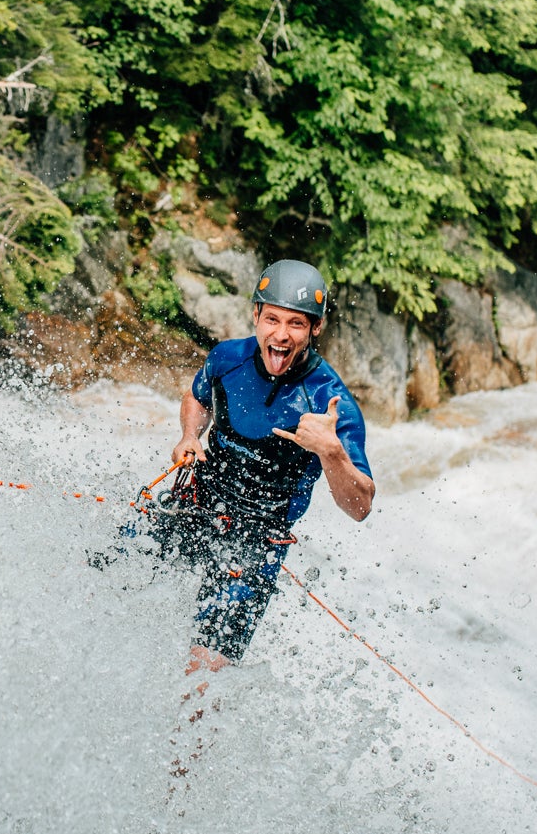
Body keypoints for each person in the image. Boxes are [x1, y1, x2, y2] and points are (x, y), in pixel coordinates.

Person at [152, 260, 374, 675]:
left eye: (296, 324)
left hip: (254, 546)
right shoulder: (228, 358)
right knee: (107, 575)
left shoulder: (329, 402)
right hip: (197, 503)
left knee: (202, 676)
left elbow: (360, 506)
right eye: (272, 319)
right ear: (256, 315)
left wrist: (332, 453)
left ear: (315, 329)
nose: (281, 334)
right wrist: (189, 437)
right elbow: (198, 397)